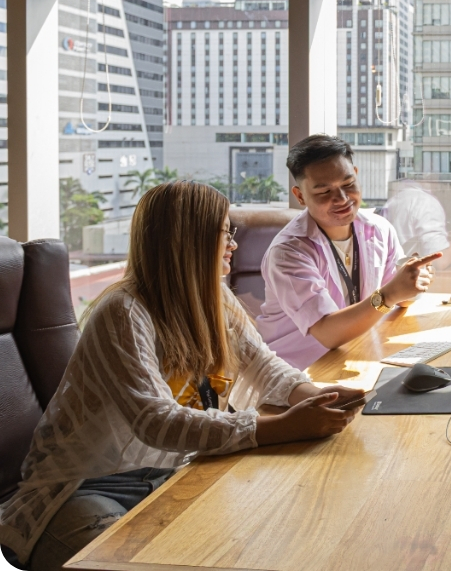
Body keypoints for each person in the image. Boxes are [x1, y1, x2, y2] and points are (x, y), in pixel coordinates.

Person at [0, 181, 363, 571]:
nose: (233, 245)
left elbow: (263, 365)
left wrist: (317, 397)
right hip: (83, 490)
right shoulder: (123, 312)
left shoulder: (215, 298)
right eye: (226, 233)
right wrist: (277, 427)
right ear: (188, 240)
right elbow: (156, 422)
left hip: (171, 474)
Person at [256, 135, 441, 370]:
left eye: (348, 184)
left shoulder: (378, 229)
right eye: (324, 192)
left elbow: (396, 299)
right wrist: (390, 294)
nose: (342, 199)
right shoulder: (288, 253)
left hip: (357, 354)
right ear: (300, 196)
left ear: (355, 173)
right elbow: (327, 334)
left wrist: (411, 282)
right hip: (297, 373)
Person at [380, 181, 451, 270]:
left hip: (395, 275)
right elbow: (438, 261)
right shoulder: (426, 203)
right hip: (413, 277)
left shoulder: (395, 200)